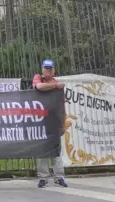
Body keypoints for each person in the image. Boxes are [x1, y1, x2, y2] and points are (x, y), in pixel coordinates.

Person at [32, 59, 68, 188]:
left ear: (53, 71)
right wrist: (55, 86)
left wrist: (64, 124)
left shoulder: (58, 85)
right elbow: (39, 87)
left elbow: (62, 106)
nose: (47, 71)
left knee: (56, 151)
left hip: (54, 121)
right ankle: (43, 178)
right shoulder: (38, 78)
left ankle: (59, 177)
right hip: (40, 120)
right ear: (42, 69)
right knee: (42, 151)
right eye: (45, 68)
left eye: (50, 69)